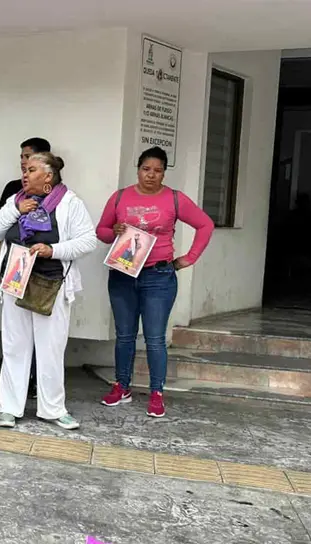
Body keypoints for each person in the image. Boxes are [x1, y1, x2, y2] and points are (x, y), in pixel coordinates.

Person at [97, 146, 214, 418]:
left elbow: (205, 224)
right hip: (123, 274)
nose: (151, 175)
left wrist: (190, 258)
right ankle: (121, 387)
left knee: (154, 339)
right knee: (124, 335)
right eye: (146, 169)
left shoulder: (174, 199)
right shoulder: (120, 198)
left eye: (157, 170)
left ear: (164, 173)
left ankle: (156, 393)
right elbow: (101, 231)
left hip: (158, 276)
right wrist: (112, 231)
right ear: (138, 169)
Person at [0, 152, 97, 430]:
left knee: (51, 348)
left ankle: (53, 409)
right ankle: (9, 408)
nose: (24, 173)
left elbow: (88, 241)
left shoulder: (70, 202)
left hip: (52, 283)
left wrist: (53, 250)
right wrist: (15, 210)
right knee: (14, 346)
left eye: (31, 169)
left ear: (48, 176)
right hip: (16, 279)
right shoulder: (17, 199)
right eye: (24, 168)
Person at [0, 137, 51, 400]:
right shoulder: (13, 191)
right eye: (22, 159)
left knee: (42, 331)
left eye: (28, 158)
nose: (23, 164)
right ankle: (15, 391)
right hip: (16, 270)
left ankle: (39, 384)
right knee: (16, 336)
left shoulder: (59, 195)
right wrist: (5, 254)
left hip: (45, 274)